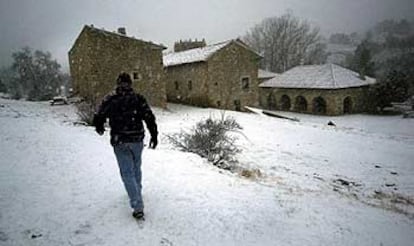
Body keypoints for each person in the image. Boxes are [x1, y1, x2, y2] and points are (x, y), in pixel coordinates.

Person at [93, 72, 158, 219]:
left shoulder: (110, 99)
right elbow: (149, 117)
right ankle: (136, 192)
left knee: (127, 172)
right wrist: (154, 135)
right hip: (136, 139)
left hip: (120, 140)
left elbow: (98, 115)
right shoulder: (138, 99)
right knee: (136, 168)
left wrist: (99, 126)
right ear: (130, 84)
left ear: (118, 84)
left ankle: (137, 205)